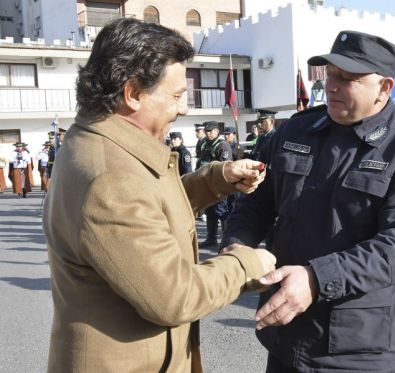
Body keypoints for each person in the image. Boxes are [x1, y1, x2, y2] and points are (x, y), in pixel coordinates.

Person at [42, 18, 276, 373]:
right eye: (177, 96)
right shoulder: (111, 178)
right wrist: (248, 263)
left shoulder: (101, 143)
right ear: (133, 94)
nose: (183, 109)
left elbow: (147, 207)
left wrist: (217, 178)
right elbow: (174, 296)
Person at [221, 31, 395, 372]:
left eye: (348, 78)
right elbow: (256, 200)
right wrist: (239, 244)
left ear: (384, 88)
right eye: (329, 75)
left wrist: (316, 278)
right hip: (285, 333)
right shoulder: (295, 131)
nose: (332, 85)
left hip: (356, 349)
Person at [198, 121, 233, 247]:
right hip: (206, 184)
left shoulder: (222, 146)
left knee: (221, 211)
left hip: (219, 185)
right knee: (210, 212)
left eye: (210, 131)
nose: (208, 133)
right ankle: (211, 238)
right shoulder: (204, 144)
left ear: (217, 131)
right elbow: (200, 162)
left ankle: (226, 240)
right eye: (206, 131)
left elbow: (226, 168)